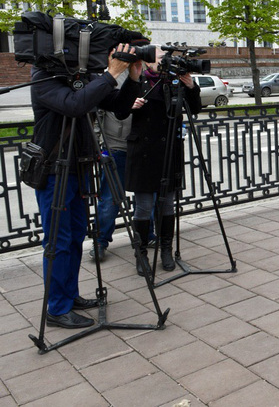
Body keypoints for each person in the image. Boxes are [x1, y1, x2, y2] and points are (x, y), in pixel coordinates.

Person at [30, 44, 142, 329]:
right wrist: (110, 73)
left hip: (78, 167)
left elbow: (119, 106)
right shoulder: (43, 77)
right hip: (55, 169)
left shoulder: (84, 79)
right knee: (59, 241)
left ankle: (69, 296)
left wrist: (132, 78)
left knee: (76, 235)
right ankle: (56, 308)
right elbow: (74, 105)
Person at [121, 61, 201, 276]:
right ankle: (141, 254)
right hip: (143, 152)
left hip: (169, 150)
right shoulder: (137, 79)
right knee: (144, 206)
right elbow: (119, 110)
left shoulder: (175, 82)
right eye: (157, 57)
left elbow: (195, 109)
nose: (162, 62)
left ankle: (166, 249)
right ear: (147, 60)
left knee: (167, 206)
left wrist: (191, 86)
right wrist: (131, 102)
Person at [89, 72, 156, 262]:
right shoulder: (110, 76)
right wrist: (97, 147)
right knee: (110, 199)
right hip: (116, 147)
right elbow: (98, 115)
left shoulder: (150, 76)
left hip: (143, 148)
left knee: (147, 197)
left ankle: (147, 235)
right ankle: (100, 241)